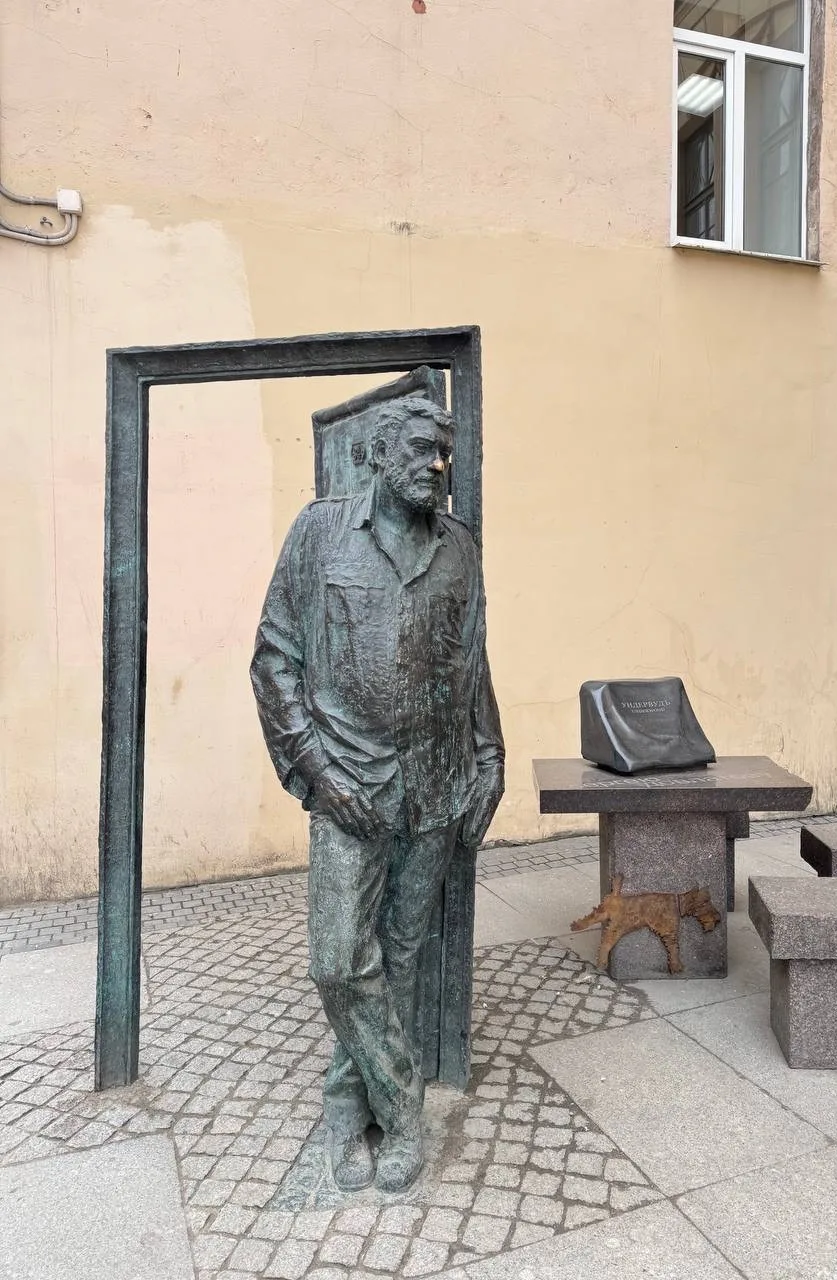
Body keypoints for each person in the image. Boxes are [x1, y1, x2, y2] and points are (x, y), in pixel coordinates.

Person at [250, 396, 504, 1193]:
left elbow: (472, 662)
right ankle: (402, 1108)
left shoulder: (459, 548)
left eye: (444, 453)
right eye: (423, 449)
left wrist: (491, 753)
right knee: (337, 960)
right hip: (347, 786)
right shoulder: (320, 532)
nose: (437, 465)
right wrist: (319, 773)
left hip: (435, 784)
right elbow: (274, 660)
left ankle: (345, 1107)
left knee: (397, 959)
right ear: (380, 453)